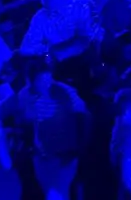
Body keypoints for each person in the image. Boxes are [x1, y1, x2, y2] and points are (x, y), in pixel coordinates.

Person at [14, 61, 90, 200]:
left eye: (49, 80)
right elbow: (24, 121)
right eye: (41, 81)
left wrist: (80, 145)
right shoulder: (24, 95)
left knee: (58, 193)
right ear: (31, 80)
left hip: (65, 155)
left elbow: (84, 114)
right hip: (42, 157)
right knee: (51, 193)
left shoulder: (66, 92)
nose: (47, 85)